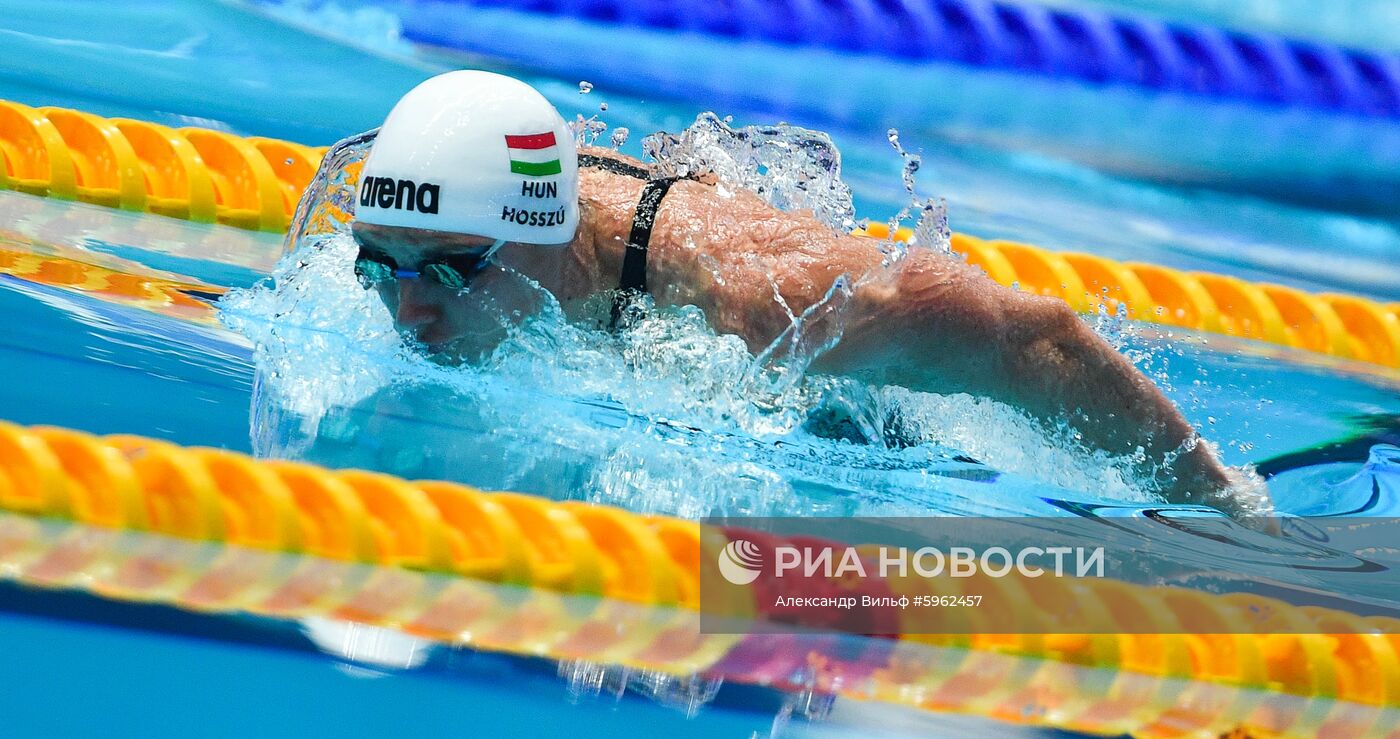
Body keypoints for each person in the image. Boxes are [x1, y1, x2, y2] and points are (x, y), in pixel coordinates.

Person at [348, 70, 1265, 517]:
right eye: (379, 267)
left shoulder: (752, 307)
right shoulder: (446, 211)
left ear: (543, 240)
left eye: (446, 271)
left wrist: (1218, 505)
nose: (407, 311)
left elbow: (1036, 336)